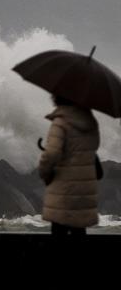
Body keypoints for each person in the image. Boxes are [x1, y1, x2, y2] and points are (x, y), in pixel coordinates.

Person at [38, 94, 101, 237]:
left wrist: (45, 173)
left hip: (64, 191)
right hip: (84, 190)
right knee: (79, 232)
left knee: (59, 232)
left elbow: (51, 154)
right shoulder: (91, 123)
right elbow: (93, 149)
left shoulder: (60, 122)